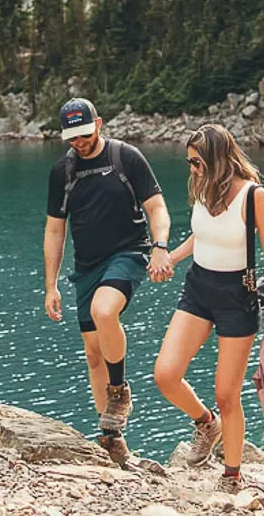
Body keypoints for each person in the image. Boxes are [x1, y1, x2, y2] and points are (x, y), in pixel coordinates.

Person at [154, 123, 264, 490]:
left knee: (226, 394)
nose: (192, 169)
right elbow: (201, 236)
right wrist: (171, 257)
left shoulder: (253, 196)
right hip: (199, 288)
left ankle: (232, 474)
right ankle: (205, 423)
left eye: (197, 162)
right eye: (190, 162)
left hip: (237, 298)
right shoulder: (203, 188)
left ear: (216, 159)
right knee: (166, 374)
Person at [44, 96, 172, 465]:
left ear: (98, 124)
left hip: (129, 254)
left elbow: (157, 208)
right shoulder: (62, 173)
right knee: (92, 353)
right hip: (87, 267)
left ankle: (119, 390)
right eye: (72, 138)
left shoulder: (126, 158)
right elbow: (55, 231)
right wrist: (50, 285)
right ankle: (111, 439)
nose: (79, 142)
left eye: (84, 134)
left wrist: (161, 246)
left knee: (105, 311)